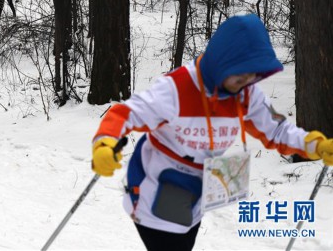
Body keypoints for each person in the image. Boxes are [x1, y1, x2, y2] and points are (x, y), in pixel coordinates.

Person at [90, 14, 333, 251]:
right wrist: (105, 143)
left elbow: (277, 131)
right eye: (240, 76)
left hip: (197, 188)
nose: (245, 83)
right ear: (222, 64)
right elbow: (126, 114)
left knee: (184, 239)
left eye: (252, 77)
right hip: (157, 186)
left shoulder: (245, 95)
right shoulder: (177, 88)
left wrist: (314, 145)